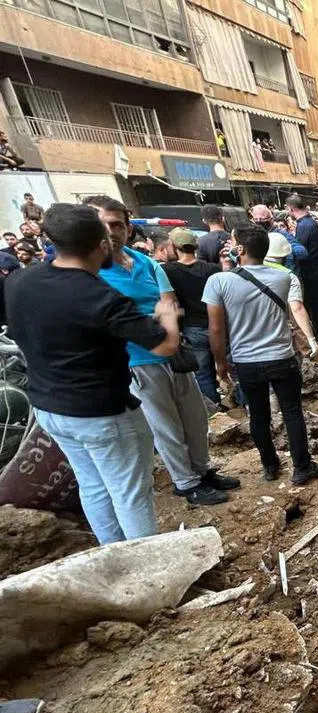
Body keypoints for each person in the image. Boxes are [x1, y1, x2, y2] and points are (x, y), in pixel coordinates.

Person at [5, 204, 181, 543]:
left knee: (93, 485)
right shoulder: (100, 297)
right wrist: (167, 315)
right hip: (101, 413)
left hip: (49, 408)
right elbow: (165, 345)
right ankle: (146, 562)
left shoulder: (20, 281)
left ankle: (112, 554)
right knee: (130, 492)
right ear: (101, 245)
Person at [85, 195, 238, 506]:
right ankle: (186, 482)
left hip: (174, 352)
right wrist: (159, 318)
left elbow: (168, 300)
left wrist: (159, 318)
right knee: (165, 426)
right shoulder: (93, 273)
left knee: (195, 418)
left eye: (117, 224)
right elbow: (123, 317)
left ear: (128, 228)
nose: (112, 231)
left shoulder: (143, 262)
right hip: (137, 360)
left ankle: (202, 470)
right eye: (104, 225)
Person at [203, 223, 318, 485]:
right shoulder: (283, 278)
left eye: (232, 242)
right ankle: (302, 467)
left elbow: (216, 329)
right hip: (282, 357)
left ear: (240, 249)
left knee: (259, 415)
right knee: (292, 412)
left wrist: (220, 364)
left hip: (246, 361)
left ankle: (270, 466)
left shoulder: (219, 282)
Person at [159, 228, 224, 406]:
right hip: (218, 325)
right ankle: (242, 403)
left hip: (191, 328)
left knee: (202, 374)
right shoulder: (212, 269)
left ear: (174, 247)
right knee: (228, 368)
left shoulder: (167, 271)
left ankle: (214, 409)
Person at [286, 195, 318, 341]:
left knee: (317, 304)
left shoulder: (304, 226)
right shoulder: (311, 222)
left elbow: (300, 250)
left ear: (291, 209)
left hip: (312, 271)